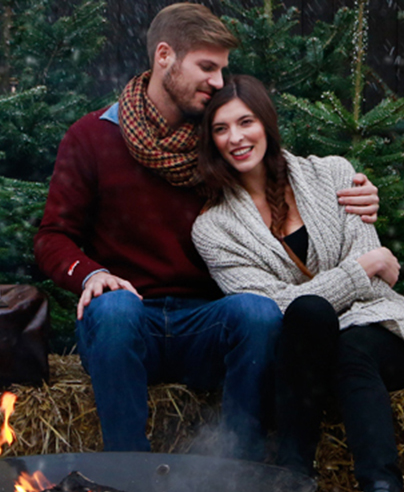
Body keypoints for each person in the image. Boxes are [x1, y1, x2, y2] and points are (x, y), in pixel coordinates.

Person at [34, 2, 380, 463]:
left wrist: (353, 190)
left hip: (207, 322)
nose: (218, 82)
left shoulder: (218, 140)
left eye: (222, 69)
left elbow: (284, 175)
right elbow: (52, 236)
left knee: (256, 312)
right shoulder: (92, 137)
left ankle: (239, 475)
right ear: (165, 57)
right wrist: (90, 274)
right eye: (207, 67)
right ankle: (126, 474)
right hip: (125, 322)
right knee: (114, 308)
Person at [192, 74, 404, 492]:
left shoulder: (334, 175)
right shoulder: (213, 228)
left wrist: (349, 280)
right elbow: (272, 306)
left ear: (266, 122)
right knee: (308, 316)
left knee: (344, 344)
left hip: (379, 327)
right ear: (211, 141)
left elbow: (376, 287)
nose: (236, 137)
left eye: (246, 122)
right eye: (221, 129)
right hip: (304, 346)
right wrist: (359, 269)